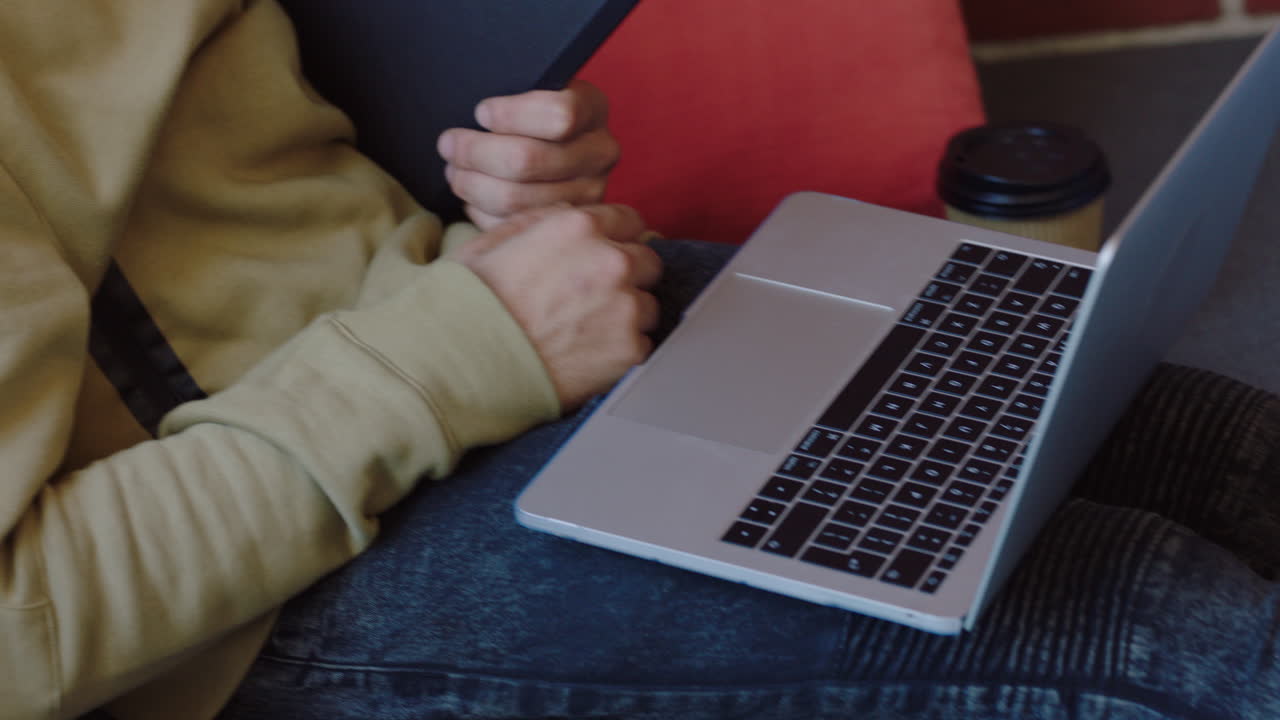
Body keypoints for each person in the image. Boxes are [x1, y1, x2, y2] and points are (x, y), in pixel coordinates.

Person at [1, 3, 1277, 719]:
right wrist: (463, 343)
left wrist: (487, 200)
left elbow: (214, 204)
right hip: (258, 580)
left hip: (453, 332)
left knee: (1218, 453)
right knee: (1178, 644)